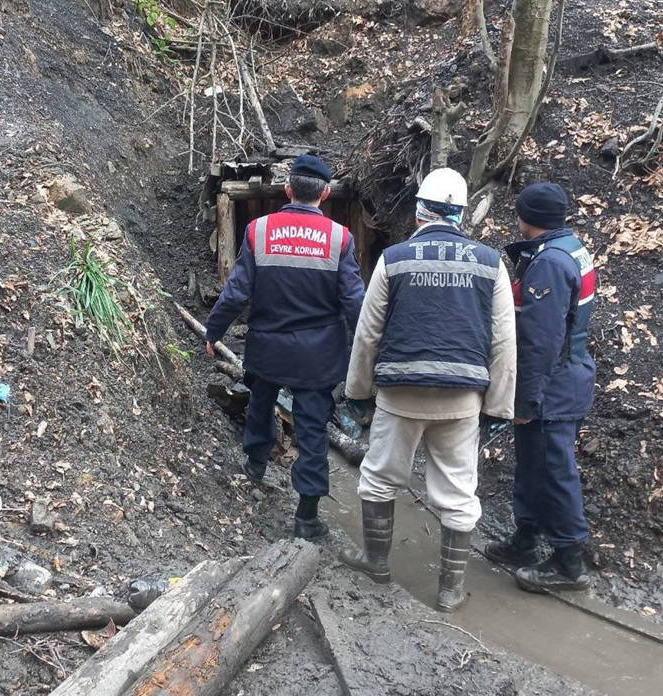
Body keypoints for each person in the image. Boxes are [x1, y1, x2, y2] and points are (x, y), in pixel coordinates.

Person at [338, 167, 516, 612]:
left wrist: (357, 390)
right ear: (461, 215)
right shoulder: (490, 263)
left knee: (378, 478)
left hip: (400, 395)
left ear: (420, 211)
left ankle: (376, 564)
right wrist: (498, 408)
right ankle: (450, 591)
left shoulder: (394, 259)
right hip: (461, 399)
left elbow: (368, 333)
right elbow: (503, 342)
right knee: (458, 493)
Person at [204, 155, 365, 541]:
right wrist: (367, 351)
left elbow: (236, 291)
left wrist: (214, 332)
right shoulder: (340, 238)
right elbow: (355, 302)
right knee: (312, 429)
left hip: (267, 348)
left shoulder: (259, 231)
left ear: (288, 190)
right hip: (318, 356)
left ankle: (255, 465)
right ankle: (307, 515)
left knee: (260, 403)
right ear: (325, 193)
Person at [486, 182, 596, 593]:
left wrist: (527, 398)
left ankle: (570, 562)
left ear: (525, 217)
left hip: (553, 385)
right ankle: (526, 539)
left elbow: (541, 338)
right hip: (566, 374)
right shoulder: (571, 247)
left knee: (553, 470)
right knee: (533, 464)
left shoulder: (549, 263)